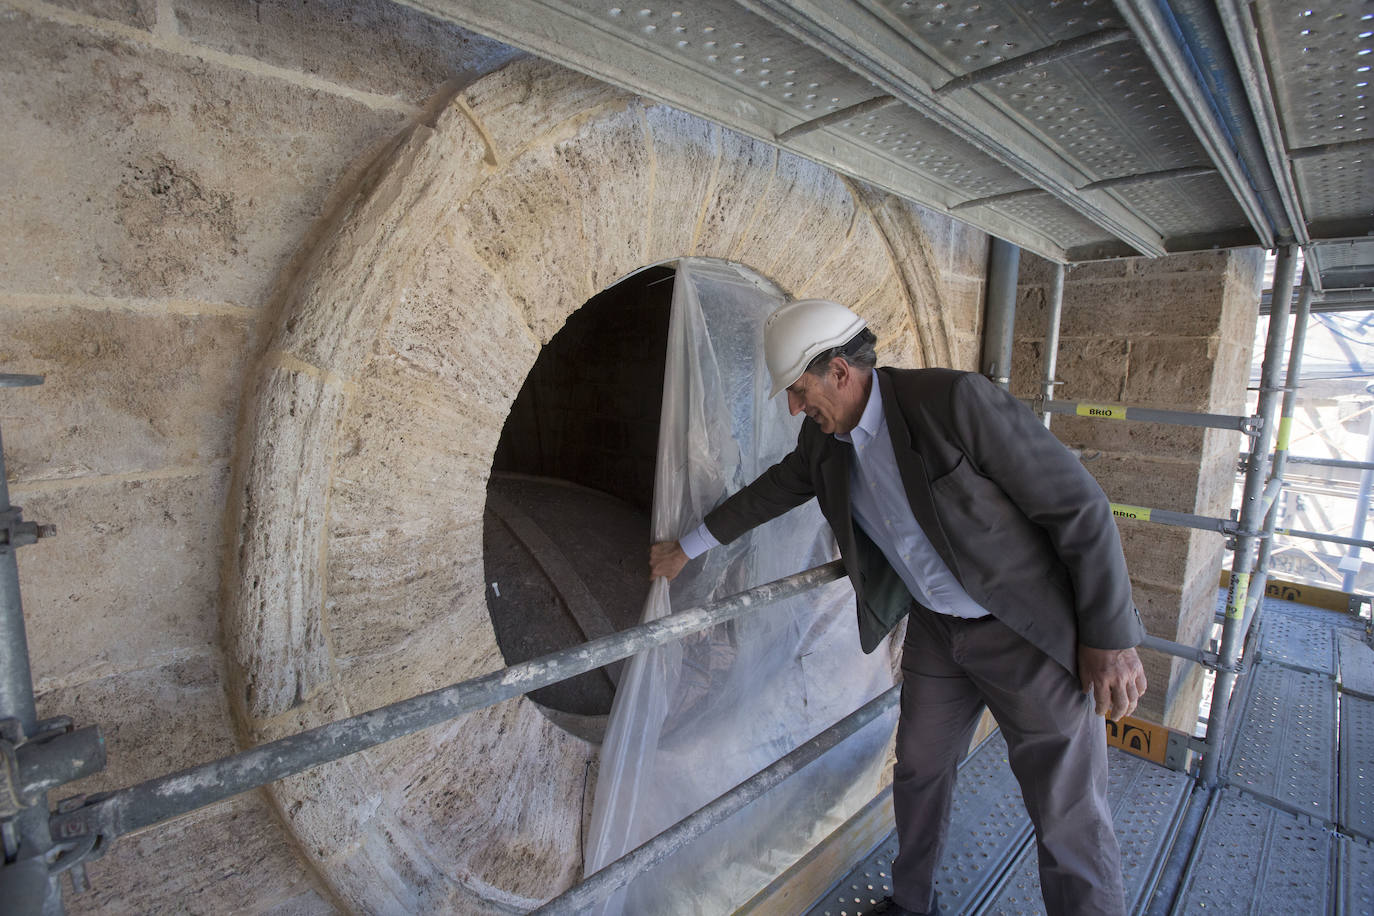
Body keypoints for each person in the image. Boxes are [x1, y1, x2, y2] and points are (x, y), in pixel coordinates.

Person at [649, 299, 1147, 916]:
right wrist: (686, 548)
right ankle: (913, 905)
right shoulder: (824, 445)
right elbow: (770, 492)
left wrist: (1108, 637)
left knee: (1065, 808)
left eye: (800, 392)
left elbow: (1079, 506)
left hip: (1024, 632)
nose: (795, 408)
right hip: (940, 632)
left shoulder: (954, 403)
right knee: (917, 769)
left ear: (838, 371)